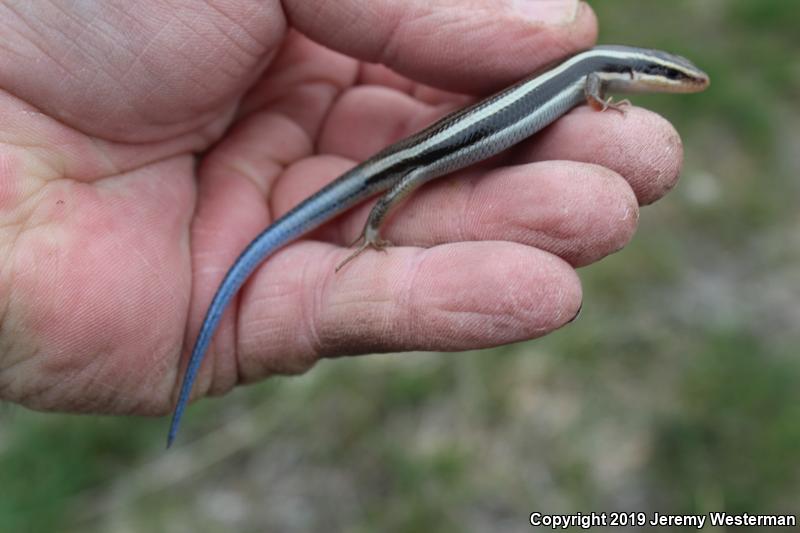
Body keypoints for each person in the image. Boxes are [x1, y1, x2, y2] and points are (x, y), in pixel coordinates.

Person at [0, 0, 685, 416]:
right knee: (404, 181)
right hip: (407, 161)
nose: (677, 82)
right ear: (636, 70)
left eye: (672, 74)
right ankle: (372, 229)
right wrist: (375, 223)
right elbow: (593, 90)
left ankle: (368, 226)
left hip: (419, 146)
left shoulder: (591, 71)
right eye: (670, 75)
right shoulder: (594, 75)